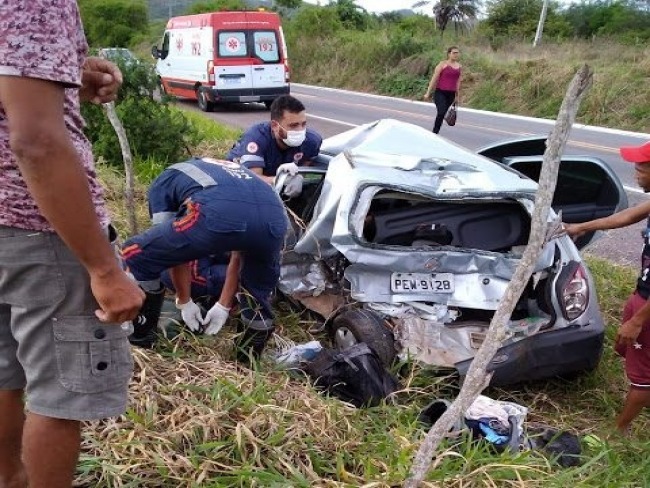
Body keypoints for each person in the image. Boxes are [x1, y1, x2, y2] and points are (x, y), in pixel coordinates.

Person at [0, 2, 145, 487]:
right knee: (59, 392)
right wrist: (104, 269)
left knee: (3, 372)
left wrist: (64, 76)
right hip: (38, 226)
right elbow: (36, 141)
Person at [121, 157, 288, 362]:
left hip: (218, 214)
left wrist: (184, 300)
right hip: (276, 219)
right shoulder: (235, 175)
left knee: (136, 254)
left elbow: (172, 250)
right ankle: (246, 363)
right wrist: (223, 306)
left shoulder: (164, 182)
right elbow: (239, 256)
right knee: (256, 295)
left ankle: (140, 339)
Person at [564, 141, 650, 435]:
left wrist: (639, 319)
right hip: (642, 295)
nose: (636, 170)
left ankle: (618, 433)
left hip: (648, 307)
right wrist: (582, 226)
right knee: (630, 351)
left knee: (644, 375)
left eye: (642, 166)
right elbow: (625, 217)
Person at [226, 94, 323, 194]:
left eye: (303, 124)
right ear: (275, 126)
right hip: (238, 184)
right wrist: (280, 180)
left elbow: (305, 167)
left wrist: (300, 177)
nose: (300, 130)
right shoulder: (256, 138)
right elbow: (253, 180)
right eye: (293, 126)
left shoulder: (312, 141)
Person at [423, 46, 462, 134]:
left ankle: (435, 132)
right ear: (449, 54)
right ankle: (435, 132)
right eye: (454, 53)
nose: (456, 54)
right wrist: (428, 93)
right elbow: (434, 78)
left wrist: (457, 96)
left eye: (457, 53)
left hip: (451, 94)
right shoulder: (442, 64)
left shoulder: (459, 66)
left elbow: (458, 82)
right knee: (441, 112)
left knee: (442, 114)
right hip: (440, 92)